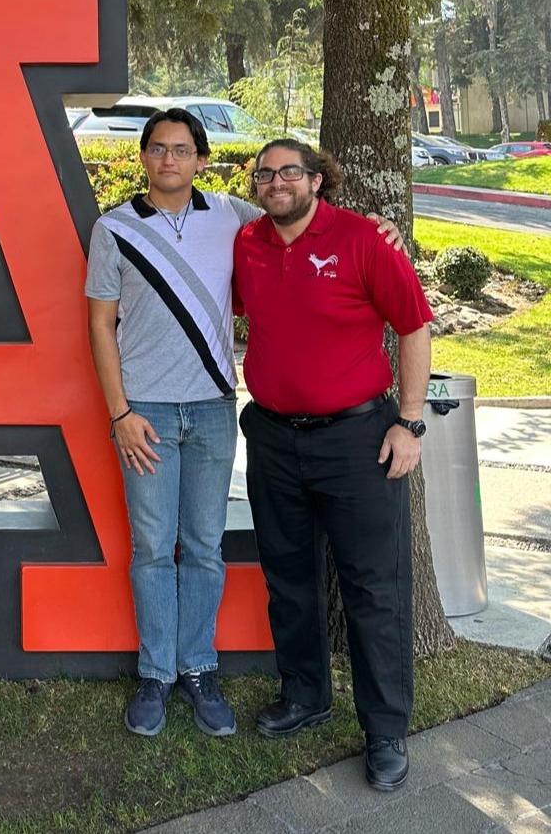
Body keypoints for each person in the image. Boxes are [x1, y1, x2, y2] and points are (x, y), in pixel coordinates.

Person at [86, 110, 402, 740]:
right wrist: (119, 412)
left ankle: (199, 669)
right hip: (145, 412)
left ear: (201, 160)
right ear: (142, 156)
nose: (169, 160)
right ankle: (156, 674)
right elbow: (100, 323)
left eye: (182, 149)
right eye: (158, 149)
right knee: (153, 548)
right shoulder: (113, 228)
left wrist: (374, 227)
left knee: (204, 547)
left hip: (212, 408)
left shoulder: (233, 216)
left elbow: (303, 218)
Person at [234, 138, 432, 792]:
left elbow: (413, 326)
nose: (276, 182)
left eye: (289, 171)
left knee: (374, 587)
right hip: (272, 438)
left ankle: (385, 731)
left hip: (358, 441)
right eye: (265, 173)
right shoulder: (248, 243)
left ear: (317, 180)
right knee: (289, 577)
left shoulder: (364, 240)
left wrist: (409, 421)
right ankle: (305, 695)